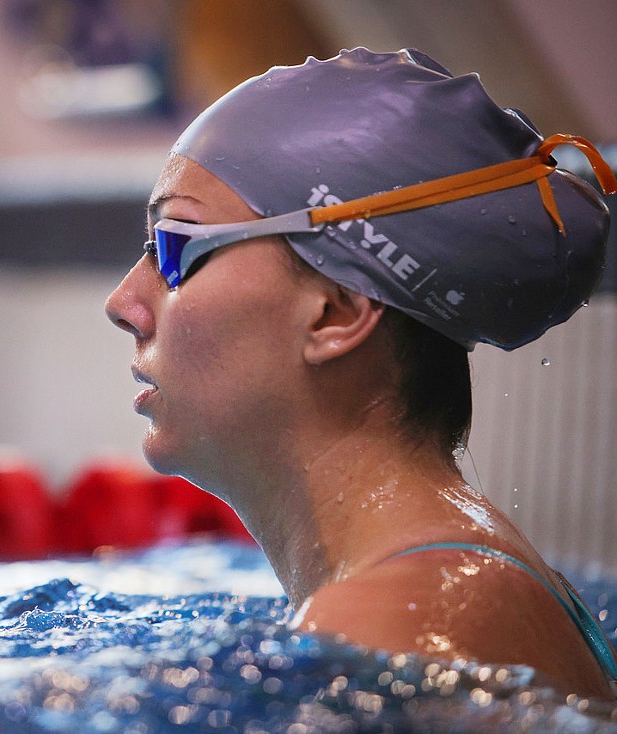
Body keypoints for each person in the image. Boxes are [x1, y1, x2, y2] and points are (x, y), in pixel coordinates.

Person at [104, 48, 617, 699]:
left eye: (175, 246)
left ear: (335, 313)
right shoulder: (445, 584)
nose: (123, 303)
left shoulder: (390, 627)